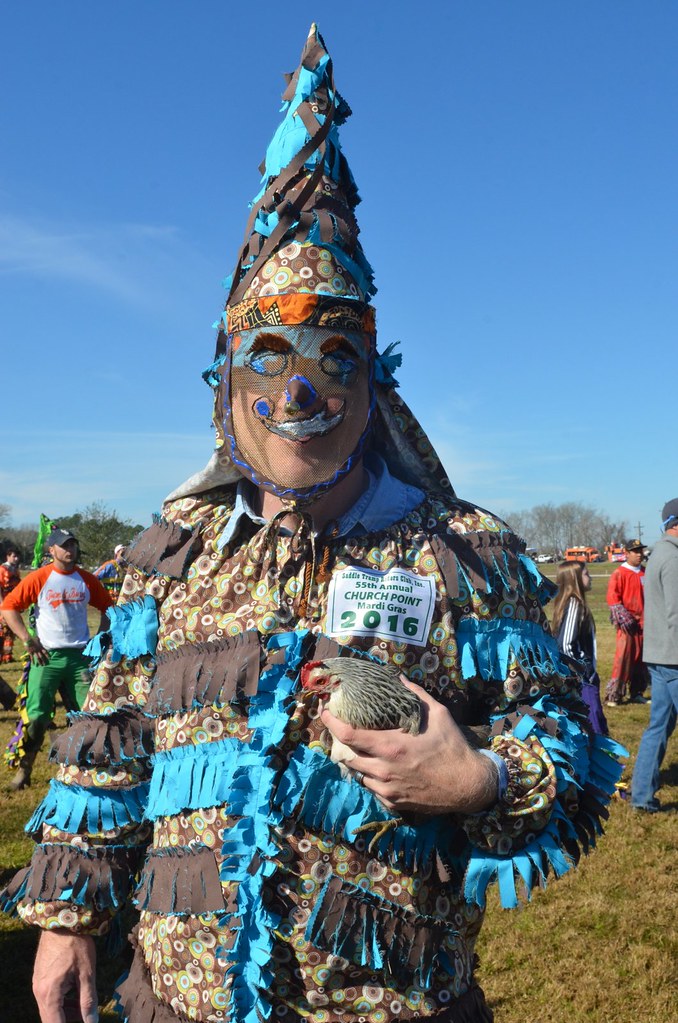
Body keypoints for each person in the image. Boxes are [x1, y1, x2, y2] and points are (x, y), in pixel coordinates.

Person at [1, 27, 626, 1023]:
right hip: (175, 1004)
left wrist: (477, 780)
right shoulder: (170, 556)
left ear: (375, 382)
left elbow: (566, 741)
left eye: (337, 353)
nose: (301, 388)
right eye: (271, 351)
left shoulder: (466, 553)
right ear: (226, 381)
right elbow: (107, 749)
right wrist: (70, 919)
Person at [0, 527, 113, 789]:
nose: (70, 550)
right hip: (46, 658)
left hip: (79, 659)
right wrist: (28, 640)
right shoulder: (39, 577)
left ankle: (83, 770)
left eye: (73, 544)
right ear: (51, 550)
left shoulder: (86, 579)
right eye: (64, 545)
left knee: (89, 714)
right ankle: (24, 772)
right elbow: (8, 608)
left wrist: (100, 639)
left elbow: (108, 608)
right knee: (37, 717)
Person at [631, 499, 678, 812]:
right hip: (675, 659)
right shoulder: (673, 558)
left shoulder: (659, 552)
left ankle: (641, 796)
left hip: (660, 656)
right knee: (658, 726)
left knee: (658, 727)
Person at [551, 560, 608, 735]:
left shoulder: (571, 604)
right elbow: (566, 644)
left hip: (582, 677)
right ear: (574, 578)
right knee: (592, 723)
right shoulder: (575, 605)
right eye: (586, 574)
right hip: (582, 680)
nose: (589, 578)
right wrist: (585, 672)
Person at [605, 538, 649, 706]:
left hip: (645, 624)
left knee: (642, 661)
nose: (639, 554)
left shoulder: (645, 572)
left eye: (641, 551)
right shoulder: (619, 574)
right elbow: (613, 599)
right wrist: (623, 617)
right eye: (635, 551)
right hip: (628, 626)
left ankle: (637, 692)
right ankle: (614, 695)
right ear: (627, 553)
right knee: (623, 659)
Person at [0, 542, 21, 663]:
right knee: (2, 631)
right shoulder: (2, 570)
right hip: (4, 604)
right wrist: (1, 604)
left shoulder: (15, 570)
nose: (16, 558)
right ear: (8, 556)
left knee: (11, 630)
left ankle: (7, 656)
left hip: (13, 604)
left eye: (17, 556)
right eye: (14, 556)